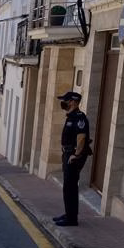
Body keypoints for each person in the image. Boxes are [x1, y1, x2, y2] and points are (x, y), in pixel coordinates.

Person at [53, 90, 90, 227]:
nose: (63, 103)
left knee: (71, 187)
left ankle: (72, 219)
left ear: (73, 102)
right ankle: (69, 214)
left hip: (73, 156)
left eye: (66, 100)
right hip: (68, 154)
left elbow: (81, 138)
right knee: (68, 187)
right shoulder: (71, 117)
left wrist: (76, 155)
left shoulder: (80, 118)